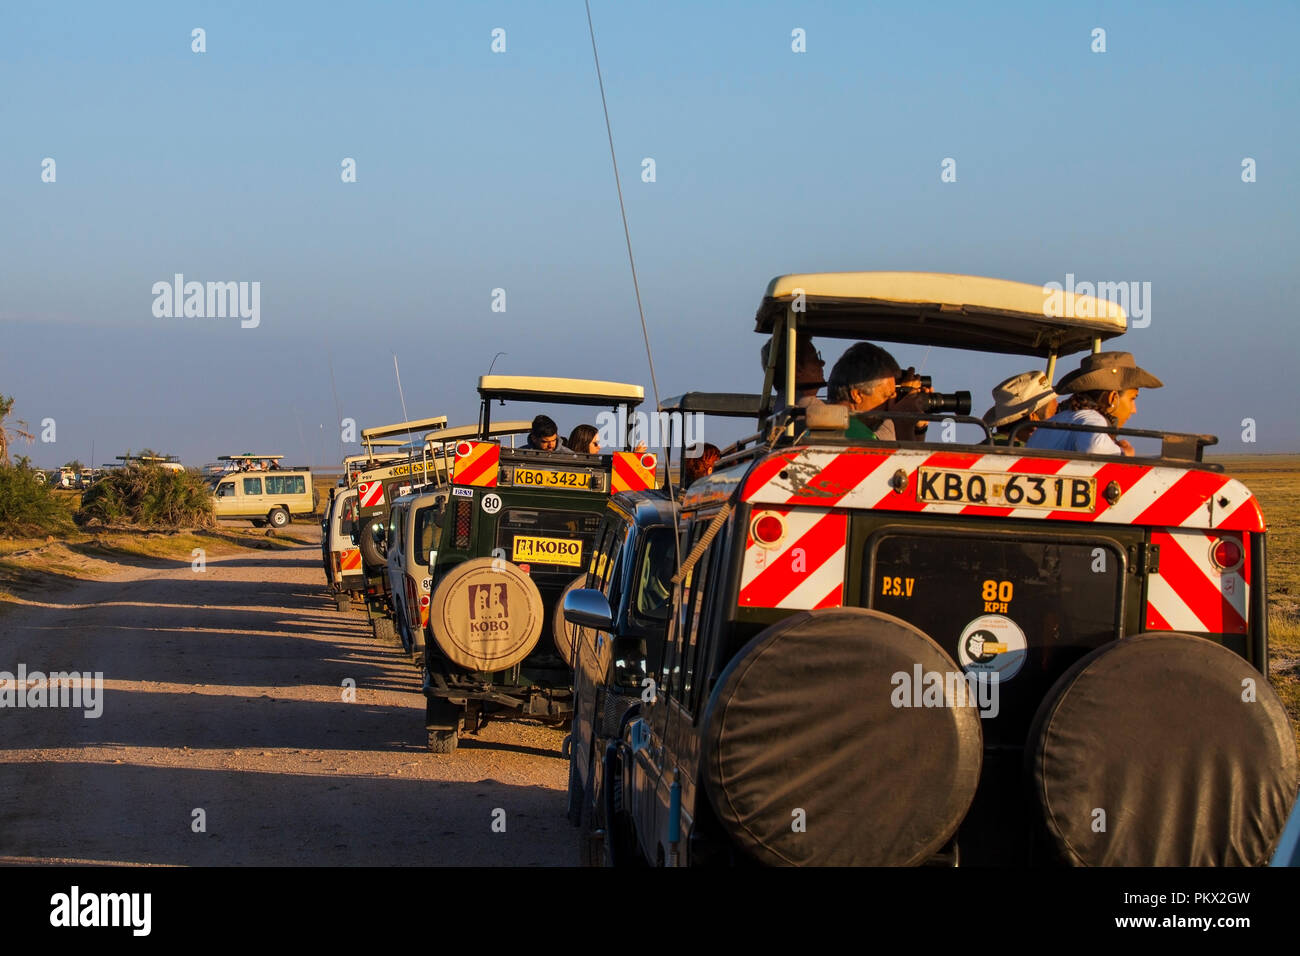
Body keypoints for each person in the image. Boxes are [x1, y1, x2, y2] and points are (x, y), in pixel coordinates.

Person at [1025, 351, 1163, 456]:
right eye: (1132, 399)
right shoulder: (1090, 418)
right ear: (1112, 398)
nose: (1134, 410)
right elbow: (1094, 447)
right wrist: (1124, 453)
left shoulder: (1053, 423)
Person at [826, 342, 926, 441]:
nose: (891, 405)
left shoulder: (821, 423)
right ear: (857, 395)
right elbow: (908, 457)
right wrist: (902, 424)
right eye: (886, 397)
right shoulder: (859, 438)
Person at [983, 371, 1058, 445]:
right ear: (1033, 417)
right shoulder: (1030, 454)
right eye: (1055, 412)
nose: (1059, 417)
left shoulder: (982, 449)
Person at [761, 330, 826, 410]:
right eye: (814, 358)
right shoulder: (812, 408)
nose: (822, 363)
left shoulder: (780, 406)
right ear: (797, 368)